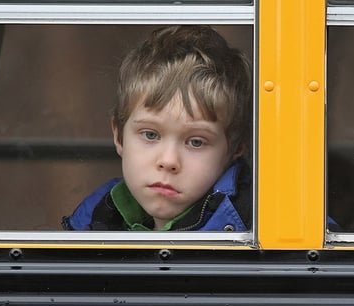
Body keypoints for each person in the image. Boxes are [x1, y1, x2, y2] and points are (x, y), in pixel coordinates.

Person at [63, 25, 251, 231]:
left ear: (235, 148)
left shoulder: (251, 226)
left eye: (196, 142)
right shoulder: (94, 220)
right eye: (150, 135)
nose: (168, 161)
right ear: (118, 136)